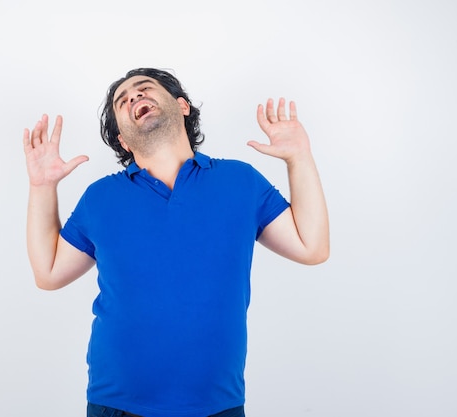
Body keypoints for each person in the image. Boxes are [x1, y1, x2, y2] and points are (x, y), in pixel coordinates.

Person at [22, 68, 329, 417]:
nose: (134, 97)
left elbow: (312, 247)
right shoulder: (100, 198)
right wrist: (41, 187)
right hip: (116, 404)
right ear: (123, 139)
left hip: (217, 406)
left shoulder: (240, 181)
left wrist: (299, 157)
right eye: (122, 101)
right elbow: (47, 273)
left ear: (182, 106)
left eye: (144, 89)